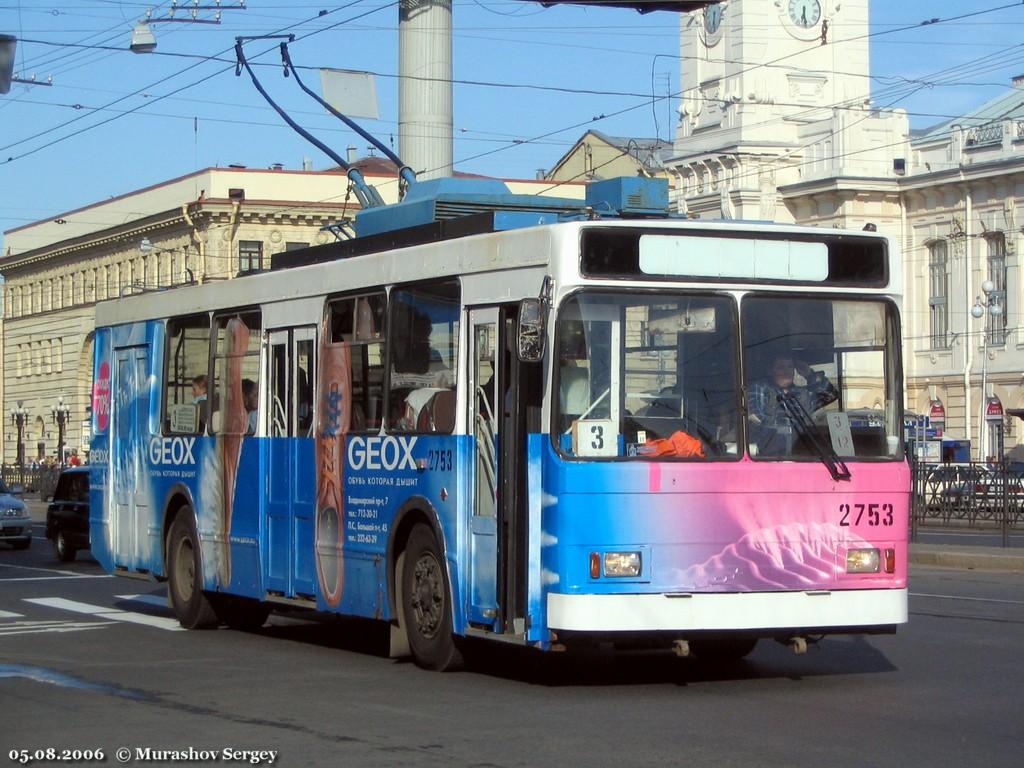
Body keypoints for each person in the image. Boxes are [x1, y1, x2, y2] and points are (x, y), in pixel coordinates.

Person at [748, 355, 838, 453]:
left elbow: (831, 394)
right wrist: (787, 432)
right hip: (768, 455)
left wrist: (809, 375)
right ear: (770, 371)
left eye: (790, 367)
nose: (787, 371)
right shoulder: (760, 388)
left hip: (800, 453)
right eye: (781, 367)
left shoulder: (802, 394)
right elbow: (757, 420)